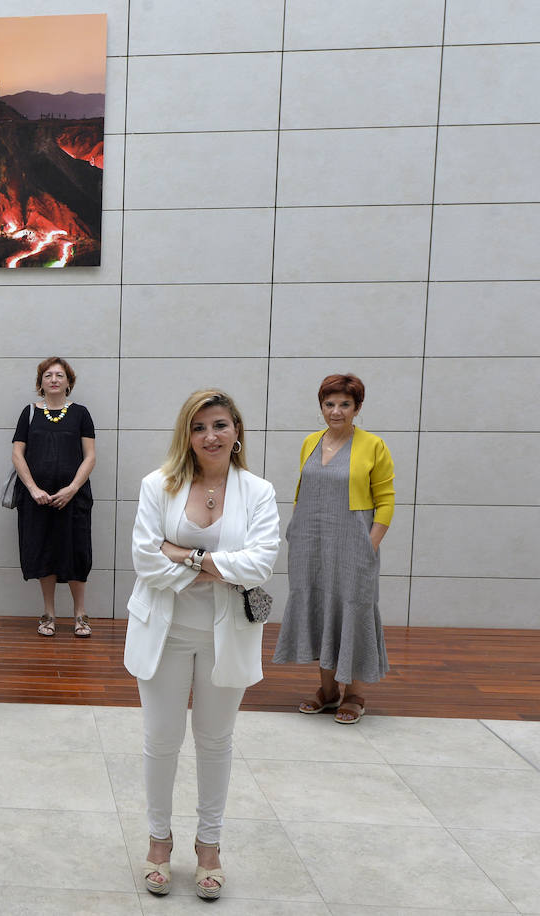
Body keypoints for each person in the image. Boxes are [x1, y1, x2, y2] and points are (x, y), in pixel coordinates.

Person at [125, 389, 279, 900]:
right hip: (163, 633)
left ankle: (209, 846)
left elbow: (259, 565)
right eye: (198, 428)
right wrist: (216, 565)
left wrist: (186, 557)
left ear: (236, 431)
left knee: (215, 742)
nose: (209, 436)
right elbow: (146, 559)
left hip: (226, 635)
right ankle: (158, 844)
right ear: (185, 436)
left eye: (219, 425)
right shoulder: (158, 485)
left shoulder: (257, 491)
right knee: (161, 741)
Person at [273, 373, 395, 724]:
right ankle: (327, 691)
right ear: (321, 406)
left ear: (357, 407)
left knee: (353, 610)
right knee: (320, 606)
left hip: (354, 544)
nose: (336, 411)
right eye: (330, 404)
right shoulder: (311, 441)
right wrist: (296, 532)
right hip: (311, 544)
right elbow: (302, 492)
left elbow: (385, 502)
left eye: (344, 404)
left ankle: (354, 694)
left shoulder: (373, 446)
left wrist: (368, 546)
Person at [11, 356, 97, 637]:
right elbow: (17, 454)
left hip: (74, 499)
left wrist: (72, 489)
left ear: (69, 382)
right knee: (44, 552)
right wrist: (33, 489)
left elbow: (90, 457)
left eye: (60, 375)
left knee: (77, 553)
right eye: (48, 375)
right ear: (41, 382)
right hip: (38, 501)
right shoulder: (29, 413)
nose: (54, 380)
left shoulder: (81, 413)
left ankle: (80, 614)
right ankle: (48, 612)